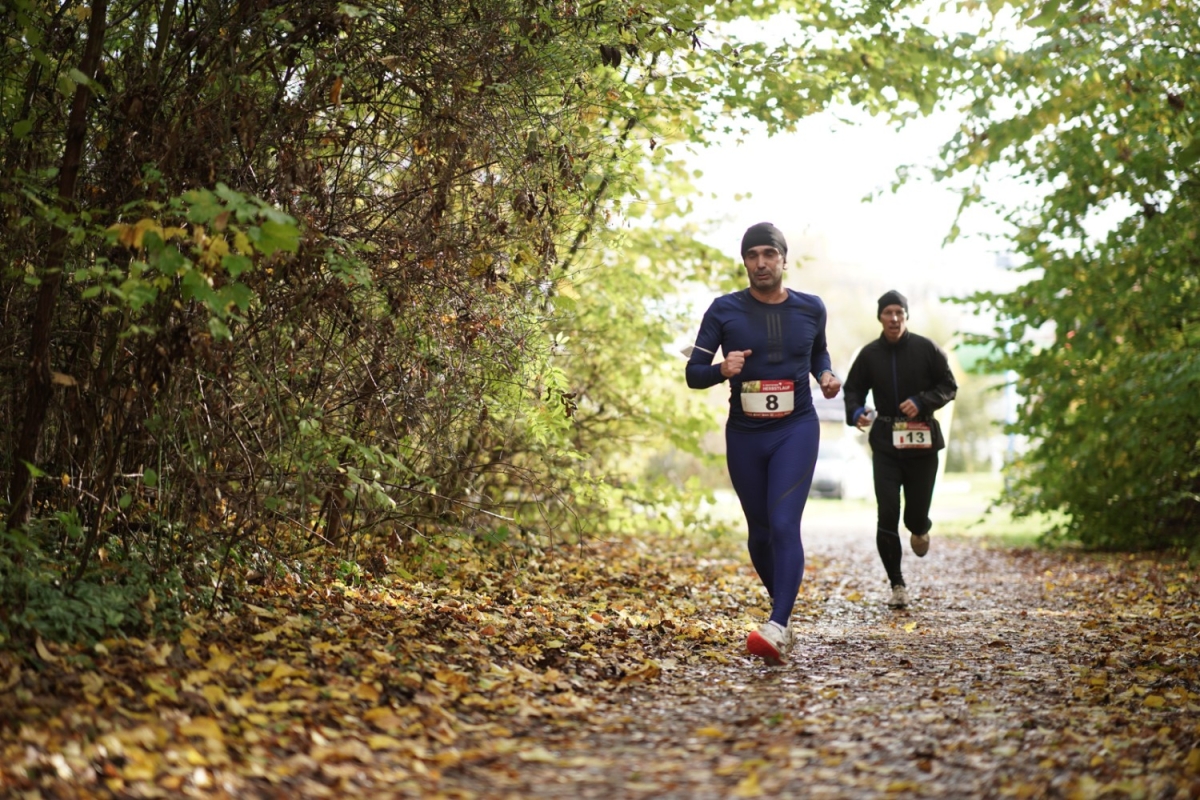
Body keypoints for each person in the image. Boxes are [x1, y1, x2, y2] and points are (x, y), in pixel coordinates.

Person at [686, 222, 841, 666]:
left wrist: (825, 376)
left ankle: (776, 623)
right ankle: (784, 616)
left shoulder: (812, 308)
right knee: (759, 532)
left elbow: (818, 353)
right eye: (752, 255)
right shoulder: (723, 310)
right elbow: (693, 374)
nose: (760, 263)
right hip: (746, 433)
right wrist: (721, 369)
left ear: (783, 259)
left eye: (768, 254)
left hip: (796, 428)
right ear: (744, 262)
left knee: (783, 521)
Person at [842, 290, 957, 608]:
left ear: (906, 316)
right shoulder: (869, 355)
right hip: (886, 442)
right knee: (887, 512)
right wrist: (856, 413)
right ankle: (897, 585)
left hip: (922, 442)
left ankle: (920, 528)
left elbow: (949, 387)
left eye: (899, 313)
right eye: (888, 313)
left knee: (915, 515)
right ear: (880, 317)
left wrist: (922, 401)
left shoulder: (926, 349)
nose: (894, 318)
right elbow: (852, 390)